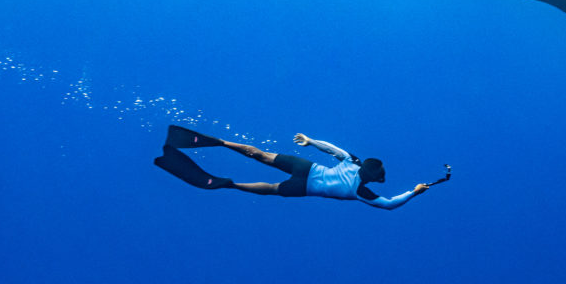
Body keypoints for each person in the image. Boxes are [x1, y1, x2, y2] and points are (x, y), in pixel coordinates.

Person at [154, 125, 430, 210]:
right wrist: (415, 192)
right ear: (375, 178)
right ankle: (230, 183)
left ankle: (221, 142)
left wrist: (310, 142)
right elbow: (390, 204)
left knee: (260, 155)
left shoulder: (355, 162)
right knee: (272, 187)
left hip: (308, 170)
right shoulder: (362, 192)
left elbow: (332, 149)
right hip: (307, 185)